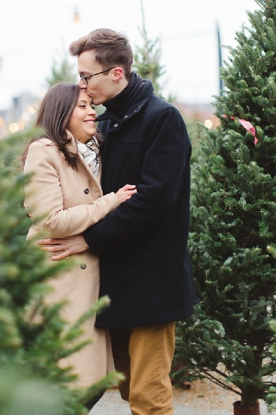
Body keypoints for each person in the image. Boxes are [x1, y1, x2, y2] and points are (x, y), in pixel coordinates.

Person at [38, 28, 198, 415]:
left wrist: (88, 240)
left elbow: (152, 202)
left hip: (151, 286)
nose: (82, 85)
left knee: (149, 397)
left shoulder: (163, 120)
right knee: (127, 391)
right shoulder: (106, 125)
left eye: (86, 76)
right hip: (111, 283)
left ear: (116, 73)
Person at [23, 82, 137, 407]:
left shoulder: (97, 150)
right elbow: (51, 221)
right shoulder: (44, 151)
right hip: (58, 280)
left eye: (92, 105)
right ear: (61, 113)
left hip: (90, 282)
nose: (92, 112)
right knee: (68, 384)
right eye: (83, 106)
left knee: (92, 382)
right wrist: (110, 202)